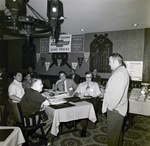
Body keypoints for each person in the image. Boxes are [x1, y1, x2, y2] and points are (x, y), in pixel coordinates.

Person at [102, 53, 129, 146]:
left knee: (112, 136)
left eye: (110, 62)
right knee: (117, 134)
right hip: (117, 109)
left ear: (116, 61)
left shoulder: (121, 73)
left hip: (116, 110)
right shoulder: (119, 71)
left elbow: (118, 94)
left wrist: (110, 107)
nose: (109, 64)